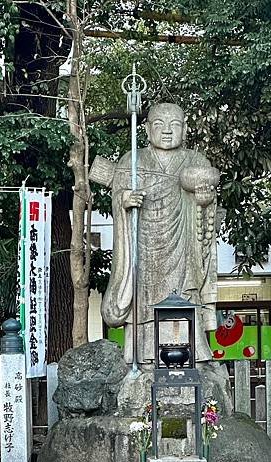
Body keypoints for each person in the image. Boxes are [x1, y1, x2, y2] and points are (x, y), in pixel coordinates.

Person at [89, 103, 219, 366]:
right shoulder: (132, 160)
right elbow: (118, 196)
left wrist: (205, 200)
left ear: (185, 130)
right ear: (147, 129)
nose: (168, 131)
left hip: (183, 244)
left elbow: (207, 204)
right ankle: (141, 354)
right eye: (159, 125)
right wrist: (125, 200)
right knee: (144, 299)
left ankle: (193, 352)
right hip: (144, 245)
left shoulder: (195, 161)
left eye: (175, 125)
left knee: (184, 296)